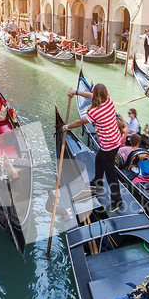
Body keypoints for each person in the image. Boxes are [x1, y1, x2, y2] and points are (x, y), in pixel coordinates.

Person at [63, 84, 126, 212]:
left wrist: (67, 127)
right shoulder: (109, 101)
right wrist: (75, 92)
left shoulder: (95, 112)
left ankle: (117, 201)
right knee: (98, 159)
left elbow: (80, 122)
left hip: (109, 145)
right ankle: (98, 183)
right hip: (115, 140)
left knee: (110, 173)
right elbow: (91, 96)